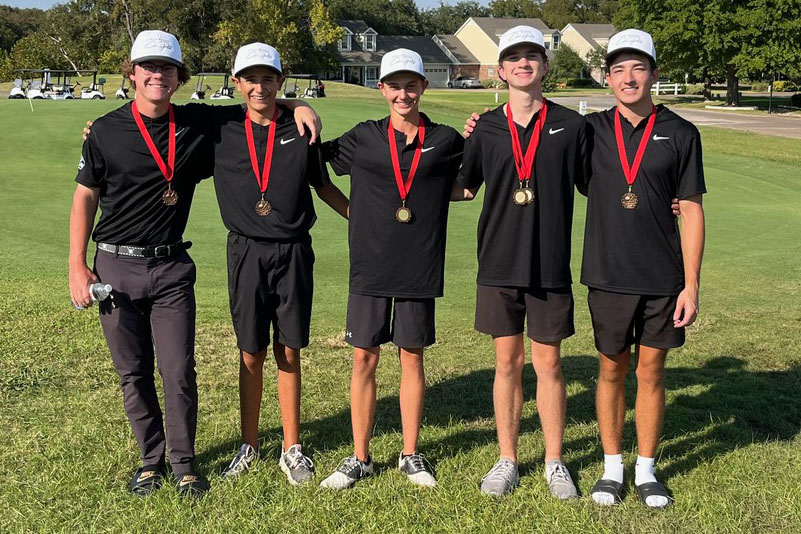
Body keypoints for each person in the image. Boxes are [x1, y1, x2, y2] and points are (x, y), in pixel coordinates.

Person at [70, 31, 320, 497]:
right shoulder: (104, 130)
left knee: (179, 368)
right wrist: (76, 265)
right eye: (148, 67)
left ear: (179, 77)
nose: (156, 75)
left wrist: (297, 107)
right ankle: (151, 460)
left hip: (170, 267)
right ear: (132, 72)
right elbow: (86, 195)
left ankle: (184, 464)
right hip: (115, 267)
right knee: (133, 371)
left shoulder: (200, 126)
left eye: (166, 69)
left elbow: (257, 109)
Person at [317, 49, 464, 490]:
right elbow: (314, 169)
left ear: (424, 86)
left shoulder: (446, 140)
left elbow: (469, 185)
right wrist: (353, 213)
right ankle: (360, 456)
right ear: (381, 89)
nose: (404, 93)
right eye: (394, 85)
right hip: (370, 264)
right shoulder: (362, 137)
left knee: (411, 357)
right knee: (364, 356)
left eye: (411, 84)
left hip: (419, 263)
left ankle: (410, 454)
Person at [454, 26, 586, 499]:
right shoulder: (486, 126)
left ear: (545, 67)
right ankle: (507, 458)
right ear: (502, 69)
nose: (524, 64)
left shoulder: (573, 126)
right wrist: (394, 189)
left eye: (533, 56)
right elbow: (463, 187)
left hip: (549, 264)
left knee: (549, 364)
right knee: (507, 363)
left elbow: (602, 185)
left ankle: (554, 461)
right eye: (514, 57)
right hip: (498, 262)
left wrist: (662, 200)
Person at [211, 43, 348, 484]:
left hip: (292, 251)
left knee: (288, 350)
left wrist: (365, 220)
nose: (259, 86)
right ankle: (249, 444)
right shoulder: (221, 128)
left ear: (280, 81)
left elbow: (323, 186)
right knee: (250, 351)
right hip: (246, 251)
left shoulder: (300, 129)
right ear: (236, 83)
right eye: (250, 78)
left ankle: (292, 447)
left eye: (268, 78)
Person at [581, 29, 705, 509]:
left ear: (654, 73)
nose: (628, 77)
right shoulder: (588, 131)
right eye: (618, 69)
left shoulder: (681, 133)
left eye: (638, 68)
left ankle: (647, 470)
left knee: (651, 372)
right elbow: (534, 140)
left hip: (662, 277)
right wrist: (475, 124)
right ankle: (613, 467)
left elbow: (691, 209)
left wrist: (691, 286)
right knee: (612, 370)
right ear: (608, 78)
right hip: (608, 274)